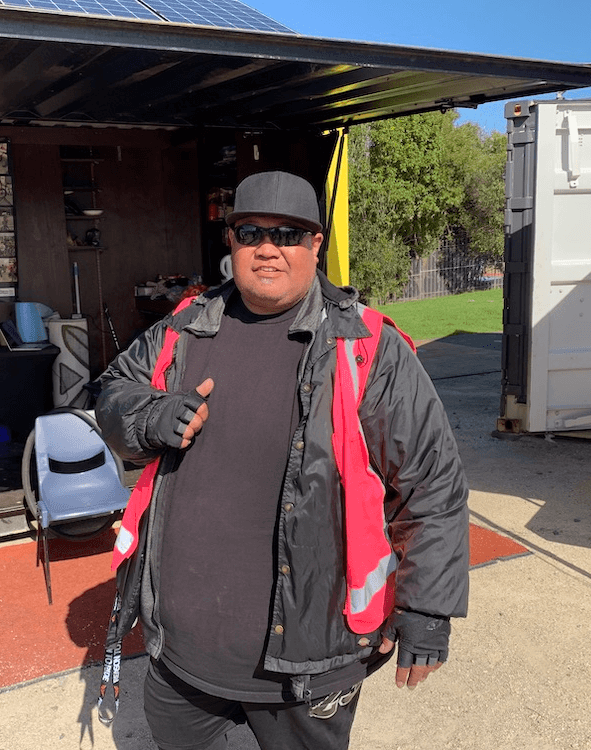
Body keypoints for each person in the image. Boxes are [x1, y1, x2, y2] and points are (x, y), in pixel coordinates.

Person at [95, 170, 470, 750]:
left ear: (316, 244)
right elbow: (113, 391)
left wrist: (427, 612)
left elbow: (432, 485)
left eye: (289, 234)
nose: (268, 247)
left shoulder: (366, 345)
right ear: (232, 241)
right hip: (181, 653)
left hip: (310, 659)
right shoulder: (186, 325)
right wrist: (148, 416)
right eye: (251, 232)